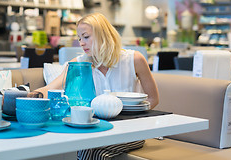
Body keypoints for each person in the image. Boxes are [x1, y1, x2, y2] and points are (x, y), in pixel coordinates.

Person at [32, 12, 159, 160]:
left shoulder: (134, 59)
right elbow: (51, 88)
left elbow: (154, 98)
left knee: (98, 153)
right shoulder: (79, 63)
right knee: (83, 147)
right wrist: (27, 95)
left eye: (86, 37)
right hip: (96, 128)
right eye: (79, 38)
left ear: (103, 34)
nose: (81, 43)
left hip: (130, 131)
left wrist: (131, 116)